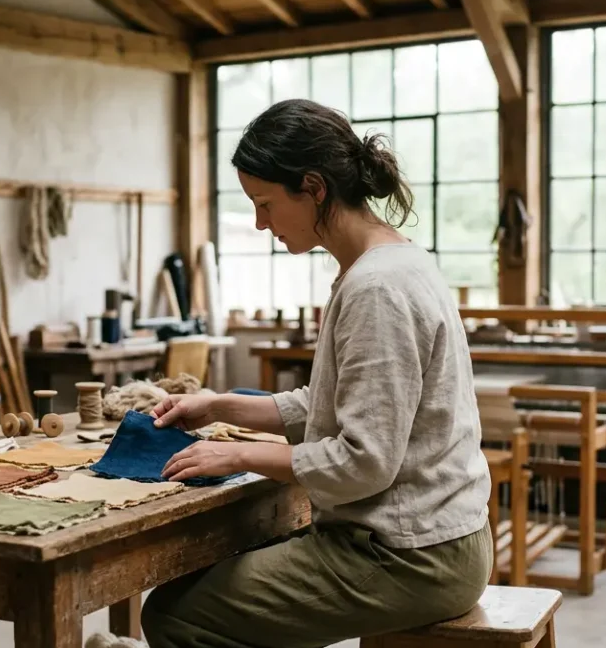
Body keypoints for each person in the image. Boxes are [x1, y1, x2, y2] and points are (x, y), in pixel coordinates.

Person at [138, 98, 493, 648]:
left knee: (178, 614)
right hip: (431, 540)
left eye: (265, 203)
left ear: (314, 187)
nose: (260, 223)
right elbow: (328, 404)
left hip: (411, 555)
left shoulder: (378, 288)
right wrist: (219, 406)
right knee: (206, 587)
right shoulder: (385, 264)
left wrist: (237, 453)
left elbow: (365, 462)